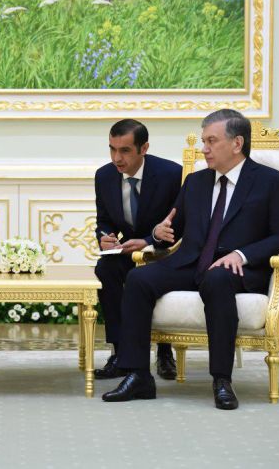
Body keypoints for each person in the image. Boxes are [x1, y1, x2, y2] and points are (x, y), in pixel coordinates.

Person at [102, 109, 279, 409]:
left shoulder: (271, 181)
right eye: (204, 141)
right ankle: (138, 375)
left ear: (237, 143)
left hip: (236, 270)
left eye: (211, 141)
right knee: (138, 278)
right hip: (191, 263)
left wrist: (241, 254)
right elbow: (173, 229)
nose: (204, 148)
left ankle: (221, 380)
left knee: (217, 279)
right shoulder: (195, 181)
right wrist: (157, 234)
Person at [93, 119, 182, 381]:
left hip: (165, 251)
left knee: (151, 276)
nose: (116, 158)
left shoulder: (171, 174)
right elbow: (104, 220)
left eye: (125, 151)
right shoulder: (104, 176)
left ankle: (164, 352)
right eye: (112, 149)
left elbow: (180, 224)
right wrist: (105, 237)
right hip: (127, 251)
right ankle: (120, 352)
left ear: (144, 148)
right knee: (106, 269)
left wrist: (148, 241)